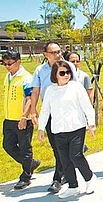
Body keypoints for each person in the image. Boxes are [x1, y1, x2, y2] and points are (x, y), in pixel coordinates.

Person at [37, 60, 96, 199]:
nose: (66, 75)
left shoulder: (76, 87)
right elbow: (45, 110)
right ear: (55, 75)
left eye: (68, 72)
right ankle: (73, 186)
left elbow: (87, 106)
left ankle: (90, 178)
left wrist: (91, 123)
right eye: (62, 73)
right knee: (64, 159)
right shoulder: (50, 90)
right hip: (58, 130)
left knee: (76, 156)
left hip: (76, 127)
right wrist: (41, 128)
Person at [29, 41, 77, 193]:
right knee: (57, 147)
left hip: (67, 112)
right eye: (54, 52)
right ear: (46, 55)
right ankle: (63, 174)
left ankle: (58, 178)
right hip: (50, 113)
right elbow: (35, 91)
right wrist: (33, 110)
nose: (58, 55)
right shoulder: (40, 70)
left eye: (59, 51)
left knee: (63, 148)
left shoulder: (68, 67)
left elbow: (76, 89)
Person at [1, 50, 40, 190]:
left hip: (23, 119)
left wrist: (24, 117)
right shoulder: (8, 76)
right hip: (9, 119)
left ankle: (26, 176)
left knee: (25, 148)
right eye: (4, 64)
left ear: (18, 61)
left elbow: (30, 100)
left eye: (10, 63)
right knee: (8, 146)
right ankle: (31, 164)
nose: (7, 66)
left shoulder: (26, 78)